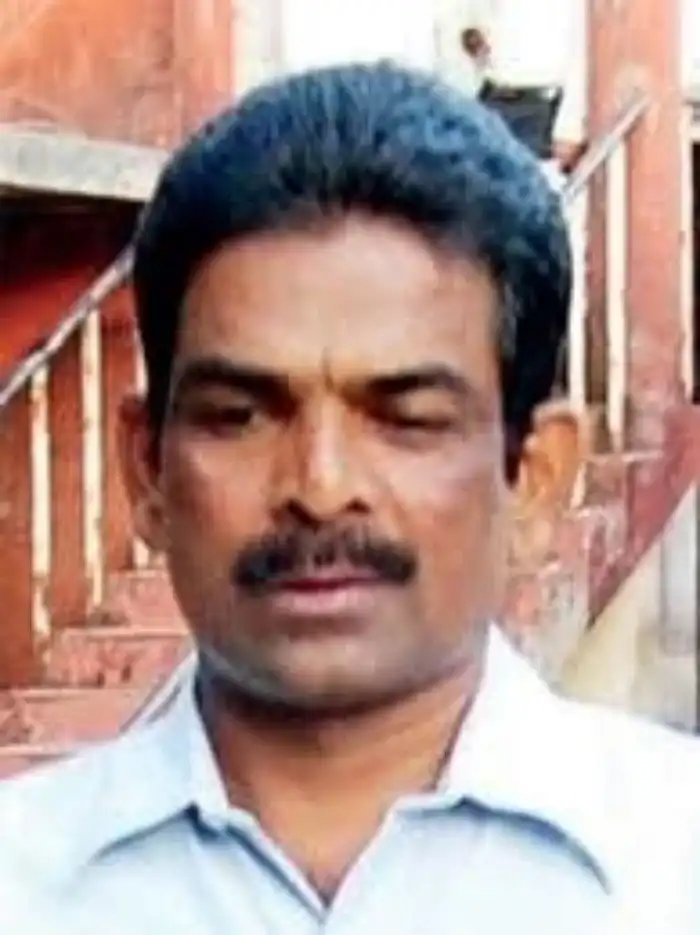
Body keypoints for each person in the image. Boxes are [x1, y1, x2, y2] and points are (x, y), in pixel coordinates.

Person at [0, 62, 698, 934]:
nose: (321, 487)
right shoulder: (21, 882)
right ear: (147, 472)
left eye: (407, 420)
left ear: (533, 476)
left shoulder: (674, 863)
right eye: (241, 415)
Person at [458, 0, 587, 178]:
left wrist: (569, 127)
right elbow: (470, 24)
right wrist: (472, 36)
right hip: (491, 98)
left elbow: (583, 51)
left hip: (540, 112)